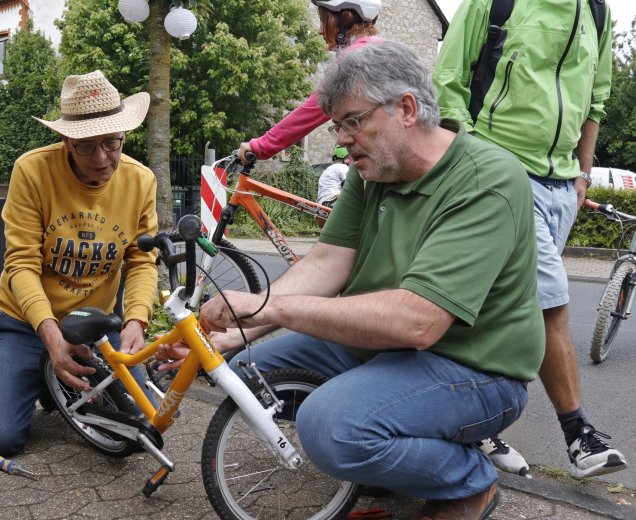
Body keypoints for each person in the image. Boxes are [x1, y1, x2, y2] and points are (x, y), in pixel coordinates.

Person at [183, 41, 545, 519]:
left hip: (473, 369)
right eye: (337, 126)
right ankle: (392, 455)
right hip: (385, 352)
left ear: (408, 109)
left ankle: (469, 482)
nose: (342, 139)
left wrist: (272, 308)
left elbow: (418, 322)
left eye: (353, 121)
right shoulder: (372, 171)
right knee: (245, 378)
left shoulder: (485, 181)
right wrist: (241, 329)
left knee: (330, 427)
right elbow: (328, 261)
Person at [433, 0, 627, 479]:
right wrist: (477, 157)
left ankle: (471, 423)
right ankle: (578, 435)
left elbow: (595, 100)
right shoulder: (495, 2)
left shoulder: (597, 12)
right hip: (501, 170)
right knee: (550, 301)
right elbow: (449, 81)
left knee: (494, 306)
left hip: (562, 184)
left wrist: (582, 172)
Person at [0, 70, 159, 456]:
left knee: (144, 427)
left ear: (124, 135)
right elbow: (20, 264)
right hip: (25, 320)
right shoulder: (32, 171)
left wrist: (137, 320)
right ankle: (18, 377)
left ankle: (49, 382)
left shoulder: (141, 181)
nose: (102, 158)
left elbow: (142, 260)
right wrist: (51, 336)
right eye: (86, 146)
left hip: (93, 323)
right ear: (66, 140)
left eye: (111, 142)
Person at [237, 0, 382, 163]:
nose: (321, 30)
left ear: (345, 18)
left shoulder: (356, 59)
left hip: (380, 166)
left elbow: (313, 108)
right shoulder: (377, 50)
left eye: (324, 20)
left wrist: (260, 146)